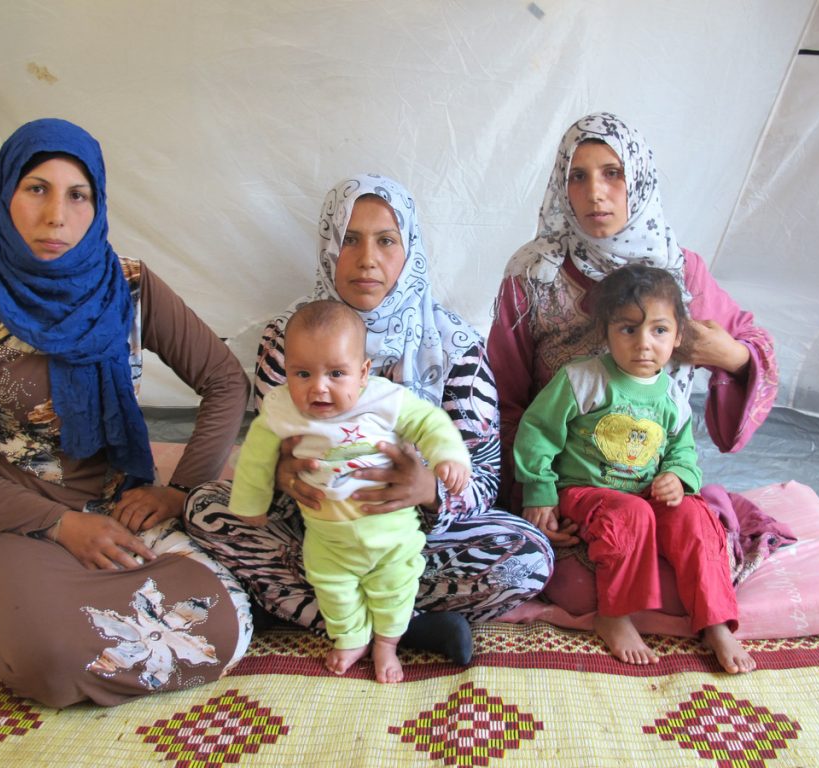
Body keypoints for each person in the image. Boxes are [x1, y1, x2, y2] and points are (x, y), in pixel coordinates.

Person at [0, 118, 253, 708]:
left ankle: (39, 622)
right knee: (50, 663)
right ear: (4, 196)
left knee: (225, 630)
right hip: (27, 522)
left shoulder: (127, 286)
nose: (57, 216)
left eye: (78, 195)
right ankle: (28, 622)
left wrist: (182, 490)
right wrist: (61, 524)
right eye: (36, 189)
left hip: (130, 512)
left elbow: (225, 380)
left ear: (96, 204)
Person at [186, 173, 555, 666]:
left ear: (410, 251)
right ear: (328, 246)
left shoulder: (454, 345)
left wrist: (428, 489)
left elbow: (484, 478)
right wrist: (278, 475)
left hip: (415, 540)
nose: (367, 259)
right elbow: (268, 442)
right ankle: (404, 626)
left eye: (386, 241)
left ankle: (316, 609)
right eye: (349, 240)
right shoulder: (288, 335)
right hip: (318, 527)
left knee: (528, 554)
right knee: (205, 509)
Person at [488, 111, 779, 524]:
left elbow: (754, 347)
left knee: (686, 562)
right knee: (585, 584)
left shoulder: (681, 272)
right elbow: (504, 397)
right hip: (566, 491)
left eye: (613, 173)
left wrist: (729, 355)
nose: (595, 194)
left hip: (658, 486)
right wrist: (534, 495)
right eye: (578, 177)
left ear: (640, 178)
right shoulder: (535, 275)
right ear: (561, 185)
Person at [515, 265, 754, 673]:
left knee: (696, 518)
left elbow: (682, 450)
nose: (644, 343)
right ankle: (615, 614)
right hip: (586, 493)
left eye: (659, 330)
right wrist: (540, 491)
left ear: (678, 336)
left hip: (646, 492)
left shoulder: (673, 396)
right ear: (606, 333)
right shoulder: (583, 379)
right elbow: (537, 432)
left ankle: (714, 622)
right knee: (632, 514)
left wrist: (676, 479)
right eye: (628, 329)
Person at [229, 299, 471, 683]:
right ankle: (352, 636)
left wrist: (447, 459)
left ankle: (387, 644)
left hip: (391, 535)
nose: (318, 388)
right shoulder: (280, 409)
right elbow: (256, 456)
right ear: (285, 372)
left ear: (363, 372)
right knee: (331, 588)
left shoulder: (384, 399)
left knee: (396, 589)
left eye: (336, 374)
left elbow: (430, 422)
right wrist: (250, 503)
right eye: (302, 374)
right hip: (327, 537)